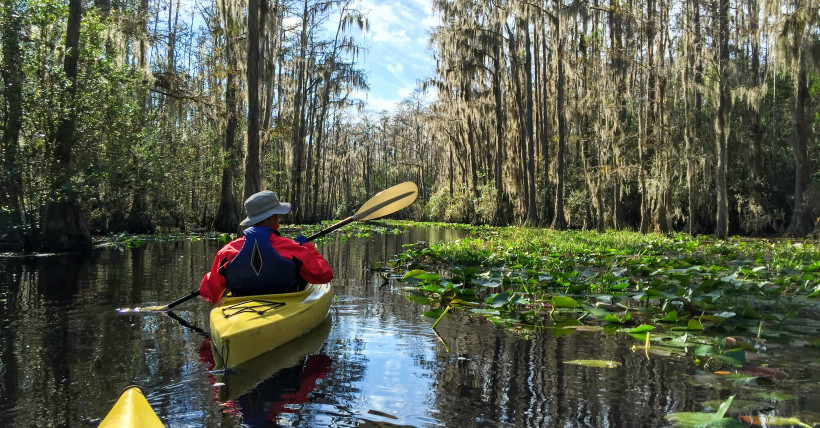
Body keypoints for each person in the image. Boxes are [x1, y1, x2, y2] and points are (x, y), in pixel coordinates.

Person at [200, 190, 333, 303]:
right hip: (288, 302)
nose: (278, 217)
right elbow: (324, 275)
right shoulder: (292, 248)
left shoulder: (226, 252)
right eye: (277, 214)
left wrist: (213, 275)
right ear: (271, 218)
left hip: (241, 306)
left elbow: (210, 294)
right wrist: (307, 248)